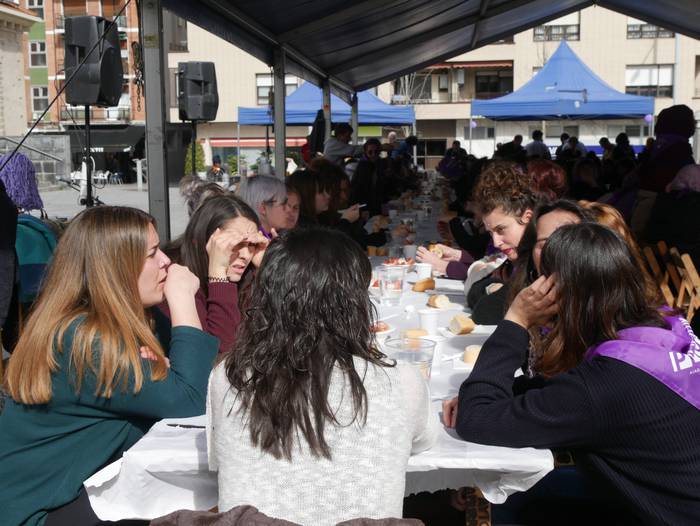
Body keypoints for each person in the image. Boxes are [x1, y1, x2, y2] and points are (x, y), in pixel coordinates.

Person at [444, 223, 700, 525]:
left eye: (544, 282)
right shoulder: (661, 328)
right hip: (672, 497)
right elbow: (565, 390)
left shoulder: (606, 384)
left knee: (510, 499)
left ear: (565, 294)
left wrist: (516, 319)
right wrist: (488, 393)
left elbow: (475, 420)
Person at [0, 206, 219, 526]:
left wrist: (175, 372)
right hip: (35, 512)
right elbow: (190, 400)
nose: (166, 262)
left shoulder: (131, 318)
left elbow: (201, 376)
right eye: (152, 254)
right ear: (115, 268)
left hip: (75, 491)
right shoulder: (84, 339)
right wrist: (183, 299)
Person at [207, 227, 437, 525]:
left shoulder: (230, 377)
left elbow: (218, 458)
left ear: (266, 301)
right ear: (356, 305)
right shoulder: (401, 381)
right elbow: (424, 439)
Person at [163, 195, 266, 354]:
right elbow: (222, 354)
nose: (246, 255)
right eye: (235, 243)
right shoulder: (175, 279)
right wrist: (218, 275)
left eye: (252, 244)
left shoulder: (249, 273)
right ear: (203, 240)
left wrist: (266, 269)